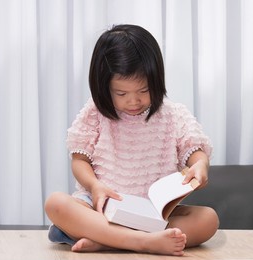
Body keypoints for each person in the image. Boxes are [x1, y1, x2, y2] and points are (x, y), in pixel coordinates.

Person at [45, 24, 219, 256]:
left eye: (144, 90)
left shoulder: (172, 114)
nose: (134, 101)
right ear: (103, 87)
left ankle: (108, 241)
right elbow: (79, 160)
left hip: (154, 213)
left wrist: (200, 165)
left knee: (209, 219)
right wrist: (95, 186)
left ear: (157, 81)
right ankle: (141, 242)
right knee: (56, 204)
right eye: (121, 94)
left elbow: (194, 149)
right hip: (102, 207)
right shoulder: (95, 113)